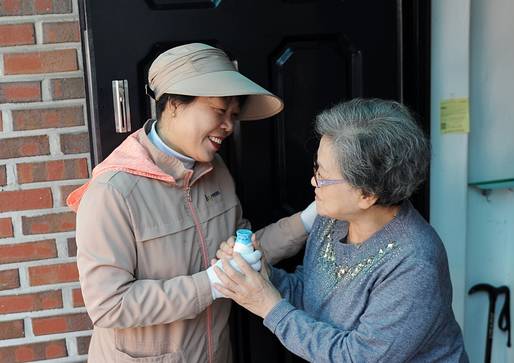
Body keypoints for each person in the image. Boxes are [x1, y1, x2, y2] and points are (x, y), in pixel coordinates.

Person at [66, 43, 316, 363]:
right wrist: (210, 284)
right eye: (218, 111)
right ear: (173, 103)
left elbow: (240, 255)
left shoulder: (217, 171)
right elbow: (109, 304)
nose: (229, 126)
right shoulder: (113, 191)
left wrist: (311, 218)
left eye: (233, 115)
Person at [214, 98, 469, 362]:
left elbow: (356, 357)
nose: (313, 181)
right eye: (316, 168)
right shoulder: (334, 219)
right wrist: (261, 274)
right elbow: (310, 293)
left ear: (367, 194)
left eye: (323, 176)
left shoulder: (414, 263)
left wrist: (269, 307)